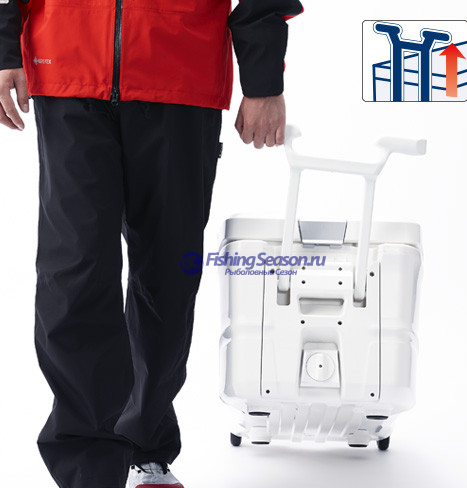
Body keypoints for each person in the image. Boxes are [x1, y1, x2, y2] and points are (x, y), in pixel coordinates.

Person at [0, 1, 303, 487]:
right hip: (67, 69)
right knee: (74, 274)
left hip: (180, 72)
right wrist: (3, 46)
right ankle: (88, 471)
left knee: (168, 278)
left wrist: (263, 78)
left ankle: (145, 442)